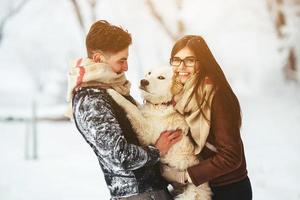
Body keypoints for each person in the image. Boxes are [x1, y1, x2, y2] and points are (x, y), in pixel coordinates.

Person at [66, 20, 182, 200]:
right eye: (122, 60)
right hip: (137, 194)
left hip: (152, 191)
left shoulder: (110, 89)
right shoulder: (90, 99)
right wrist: (157, 151)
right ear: (98, 59)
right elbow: (119, 155)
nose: (126, 67)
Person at [161, 35, 252, 200]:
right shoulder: (180, 96)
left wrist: (184, 175)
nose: (181, 67)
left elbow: (231, 156)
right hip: (202, 188)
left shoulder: (217, 96)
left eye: (189, 60)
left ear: (201, 63)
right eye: (176, 60)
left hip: (228, 189)